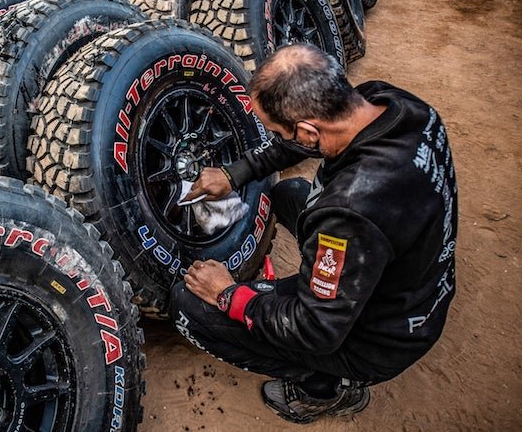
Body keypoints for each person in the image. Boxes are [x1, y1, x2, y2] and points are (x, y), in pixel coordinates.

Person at [171, 44, 457, 424]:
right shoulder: (390, 103)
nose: (278, 138)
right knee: (288, 194)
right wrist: (234, 173)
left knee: (187, 307)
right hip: (415, 280)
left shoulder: (348, 216)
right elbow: (298, 144)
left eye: (277, 130)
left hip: (384, 337)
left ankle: (322, 389)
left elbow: (314, 329)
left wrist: (228, 295)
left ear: (307, 130)